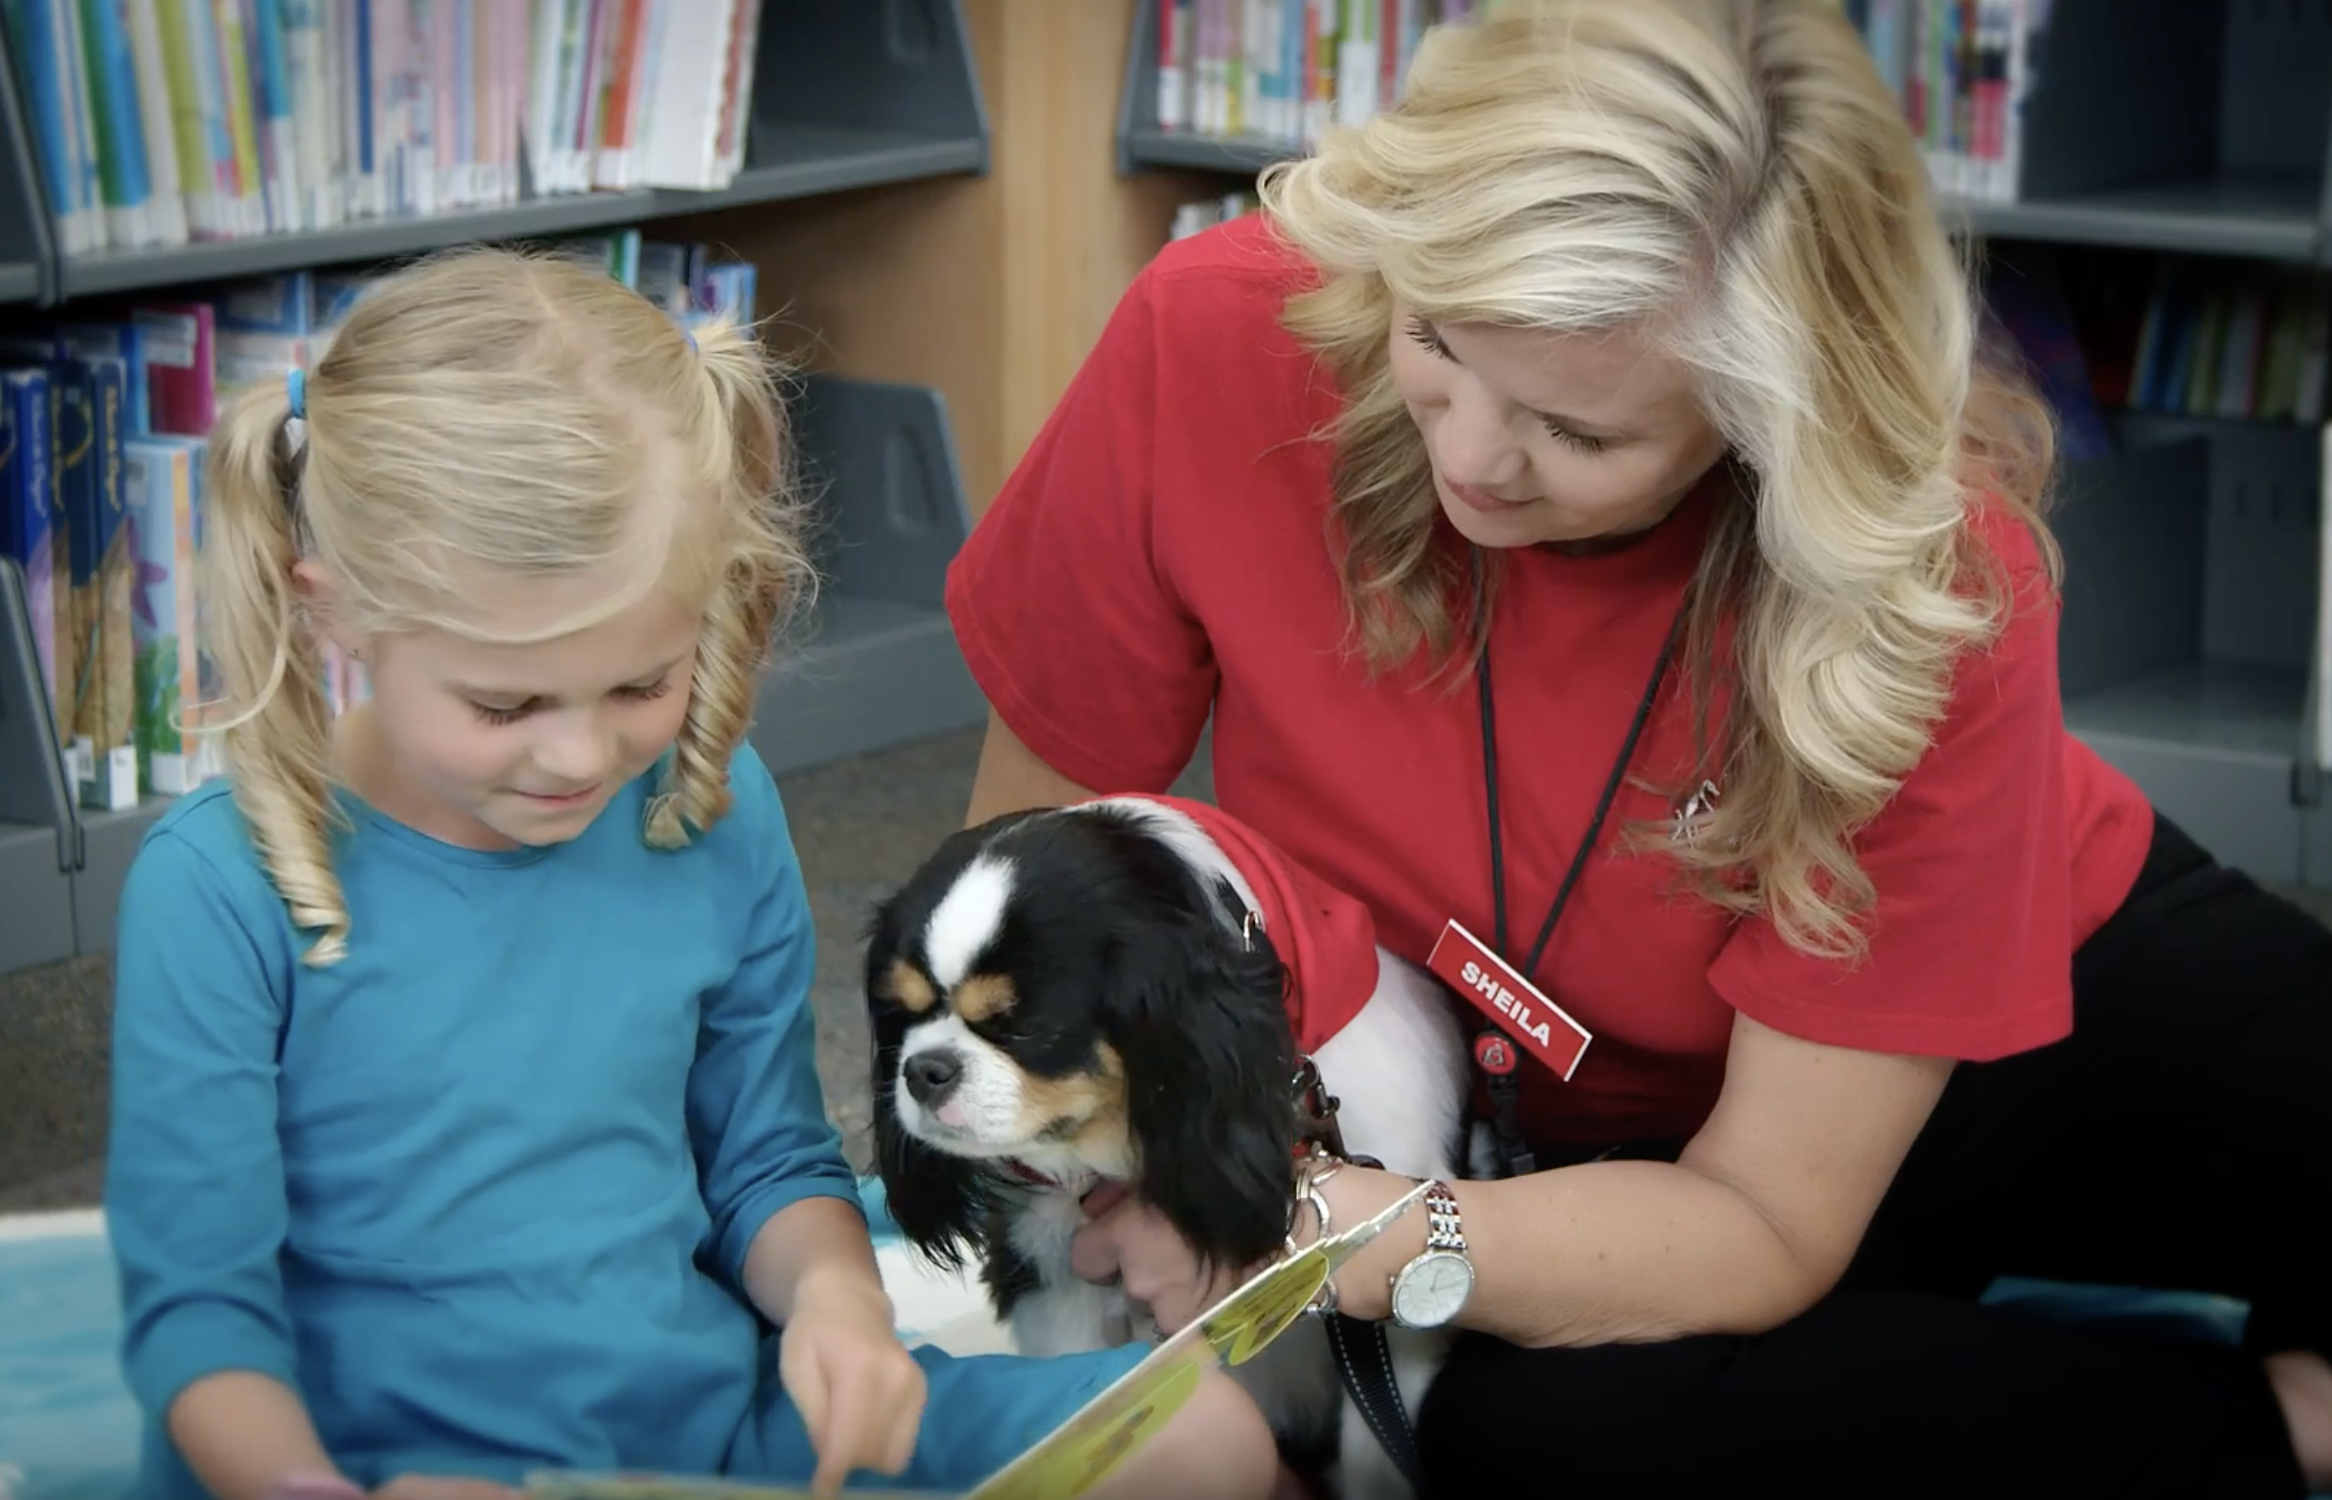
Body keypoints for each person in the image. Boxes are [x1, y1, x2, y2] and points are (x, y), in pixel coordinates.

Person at [942, 1, 2332, 1495]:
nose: (1469, 456)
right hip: (1534, 1134)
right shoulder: (1214, 330)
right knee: (1530, 1443)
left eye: (1577, 433)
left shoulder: (1928, 573)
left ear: (1762, 420)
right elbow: (1021, 894)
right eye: (1437, 341)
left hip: (2016, 1006)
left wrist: (1330, 1233)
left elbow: (1769, 1218)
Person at [102, 248, 1281, 1500]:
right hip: (368, 1469)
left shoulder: (706, 812)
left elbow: (766, 1162)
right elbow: (200, 1317)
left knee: (1200, 1439)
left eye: (639, 684)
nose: (579, 754)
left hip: (711, 1429)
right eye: (504, 703)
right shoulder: (217, 883)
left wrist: (838, 1307)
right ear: (329, 612)